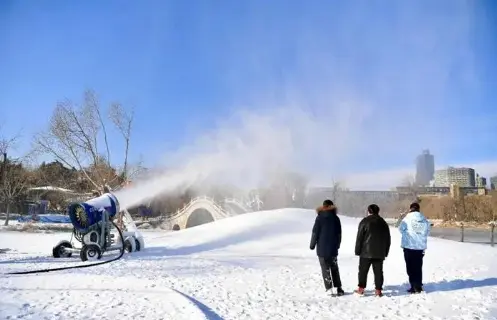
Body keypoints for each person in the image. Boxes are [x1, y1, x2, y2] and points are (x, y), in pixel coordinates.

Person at [354, 204, 391, 297]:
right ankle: (378, 291)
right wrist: (385, 252)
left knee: (363, 271)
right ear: (378, 211)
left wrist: (357, 251)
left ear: (368, 211)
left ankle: (361, 289)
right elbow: (388, 239)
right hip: (379, 252)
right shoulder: (383, 223)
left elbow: (359, 238)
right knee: (378, 271)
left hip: (365, 252)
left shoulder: (364, 221)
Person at [310, 199, 345, 296]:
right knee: (334, 268)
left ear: (323, 206)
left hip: (322, 249)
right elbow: (339, 234)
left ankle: (329, 289)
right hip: (333, 249)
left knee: (325, 269)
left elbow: (315, 233)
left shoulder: (319, 218)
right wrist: (337, 245)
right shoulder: (336, 218)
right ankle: (339, 288)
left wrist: (312, 245)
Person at [398, 202, 431, 294]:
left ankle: (413, 285)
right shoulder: (424, 219)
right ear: (418, 209)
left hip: (409, 245)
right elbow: (427, 232)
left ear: (410, 209)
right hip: (420, 247)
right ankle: (418, 285)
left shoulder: (407, 218)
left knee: (410, 267)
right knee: (418, 266)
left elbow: (401, 229)